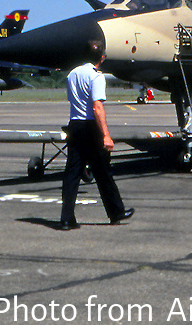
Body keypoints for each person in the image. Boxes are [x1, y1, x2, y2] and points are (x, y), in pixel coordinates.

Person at [57, 40, 134, 230]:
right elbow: (97, 107)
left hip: (74, 125)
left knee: (72, 173)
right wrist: (106, 135)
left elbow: (72, 101)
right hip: (91, 127)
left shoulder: (72, 74)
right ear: (101, 58)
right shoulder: (97, 77)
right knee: (103, 171)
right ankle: (116, 211)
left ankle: (66, 218)